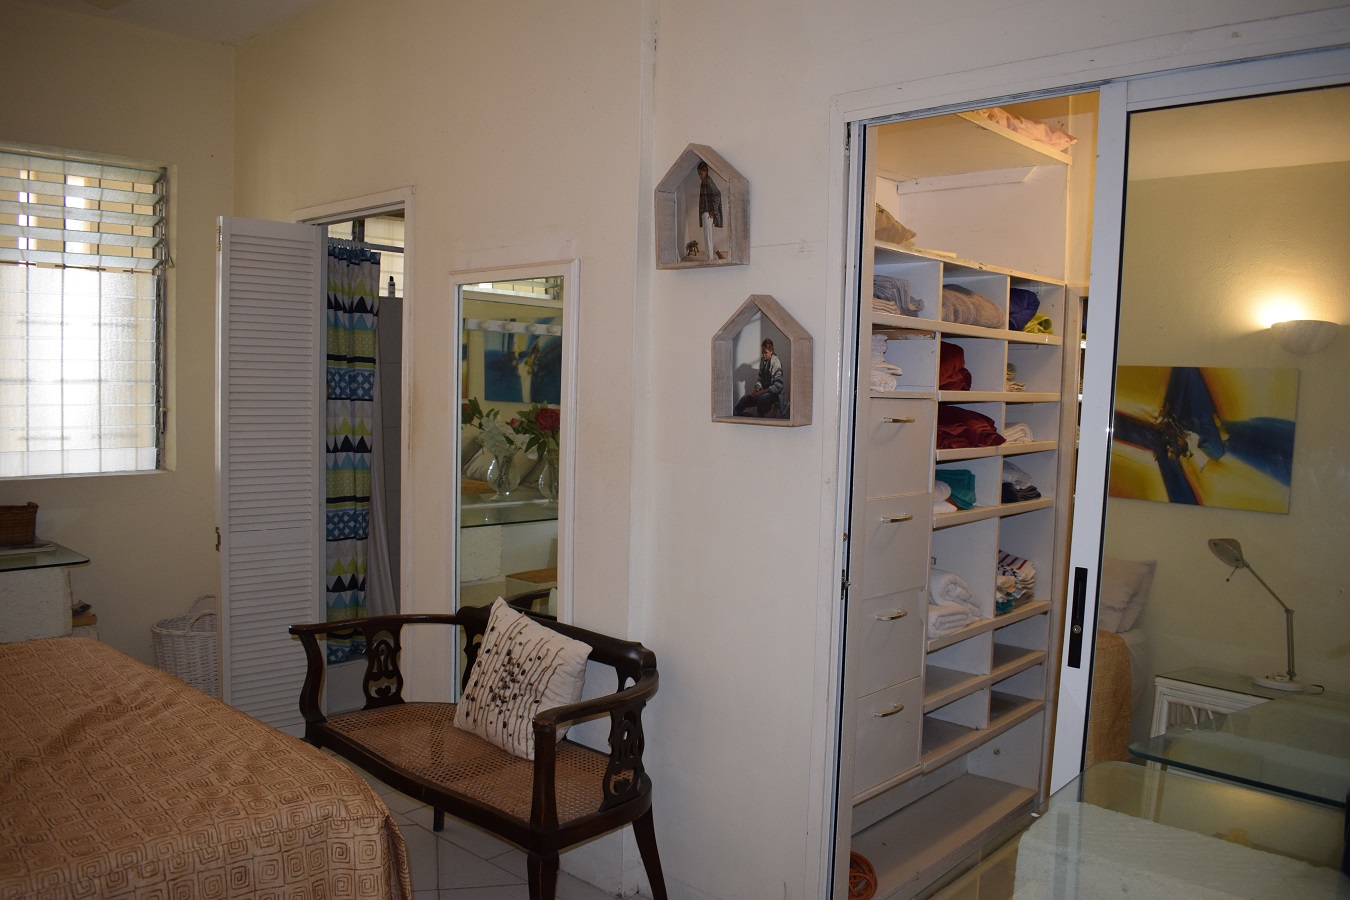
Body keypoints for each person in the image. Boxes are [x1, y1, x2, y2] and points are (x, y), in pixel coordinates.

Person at [734, 339, 786, 418]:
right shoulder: (763, 361)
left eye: (766, 352)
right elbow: (760, 379)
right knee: (744, 399)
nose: (764, 355)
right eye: (762, 352)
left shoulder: (776, 363)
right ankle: (736, 415)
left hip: (775, 394)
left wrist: (761, 392)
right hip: (764, 392)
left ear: (771, 351)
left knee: (761, 399)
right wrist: (756, 390)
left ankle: (760, 420)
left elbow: (778, 386)